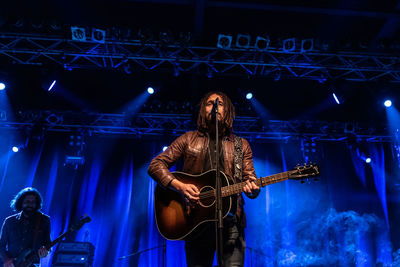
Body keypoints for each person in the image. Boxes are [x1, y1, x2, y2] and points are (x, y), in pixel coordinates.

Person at [148, 91, 260, 267]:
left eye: (220, 103)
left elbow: (250, 179)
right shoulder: (188, 139)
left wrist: (254, 188)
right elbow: (156, 165)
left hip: (231, 222)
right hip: (195, 222)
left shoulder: (241, 145)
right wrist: (180, 186)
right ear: (203, 110)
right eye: (209, 103)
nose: (215, 106)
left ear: (229, 111)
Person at [0, 187, 51, 267]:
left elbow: (48, 243)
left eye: (33, 202)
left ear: (37, 203)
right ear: (21, 203)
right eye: (27, 201)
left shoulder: (44, 220)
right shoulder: (9, 221)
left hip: (32, 264)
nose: (30, 204)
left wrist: (45, 251)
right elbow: (1, 245)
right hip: (12, 264)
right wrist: (6, 260)